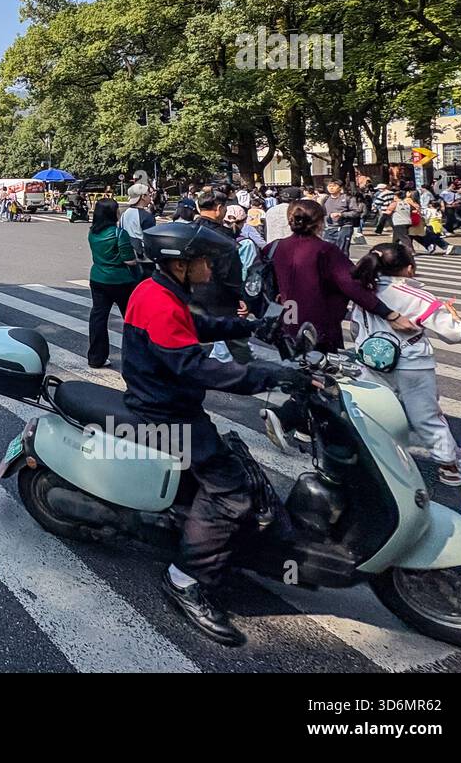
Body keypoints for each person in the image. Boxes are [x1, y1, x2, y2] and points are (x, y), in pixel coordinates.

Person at [123, 220, 309, 646]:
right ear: (181, 264)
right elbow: (195, 366)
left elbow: (196, 328)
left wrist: (250, 328)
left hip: (169, 405)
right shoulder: (158, 300)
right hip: (165, 416)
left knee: (232, 467)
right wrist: (272, 376)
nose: (211, 268)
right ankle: (185, 578)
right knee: (232, 492)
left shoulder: (159, 291)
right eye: (205, 260)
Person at [349, 243, 461, 486]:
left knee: (375, 412)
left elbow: (354, 328)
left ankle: (379, 459)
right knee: (426, 416)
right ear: (409, 269)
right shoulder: (417, 296)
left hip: (370, 361)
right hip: (411, 364)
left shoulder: (363, 291)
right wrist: (455, 318)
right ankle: (448, 465)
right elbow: (455, 335)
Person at [265, 198, 417, 360]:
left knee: (291, 368)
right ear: (320, 223)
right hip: (318, 322)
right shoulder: (325, 250)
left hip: (285, 318)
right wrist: (388, 314)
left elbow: (263, 281)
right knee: (317, 371)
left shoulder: (274, 247)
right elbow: (351, 284)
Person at [192, 189, 251, 363]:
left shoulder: (187, 231)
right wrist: (241, 298)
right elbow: (231, 275)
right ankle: (248, 374)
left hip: (192, 296)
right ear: (219, 208)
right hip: (221, 299)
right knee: (237, 342)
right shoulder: (224, 238)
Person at [86, 197, 136, 368]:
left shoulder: (92, 232)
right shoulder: (119, 233)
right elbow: (129, 260)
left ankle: (95, 358)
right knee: (131, 320)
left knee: (98, 318)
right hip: (121, 280)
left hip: (98, 278)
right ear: (111, 213)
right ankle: (134, 358)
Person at [119, 182, 156, 279]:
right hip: (144, 259)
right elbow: (150, 239)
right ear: (143, 196)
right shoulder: (147, 216)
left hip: (128, 255)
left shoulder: (124, 214)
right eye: (149, 195)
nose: (150, 197)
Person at [319, 179, 360, 256]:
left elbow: (356, 212)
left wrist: (341, 214)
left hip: (344, 228)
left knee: (342, 251)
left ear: (340, 188)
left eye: (334, 186)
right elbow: (322, 214)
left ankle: (343, 267)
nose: (331, 188)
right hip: (329, 228)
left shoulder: (348, 198)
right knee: (327, 251)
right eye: (329, 186)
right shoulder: (325, 199)